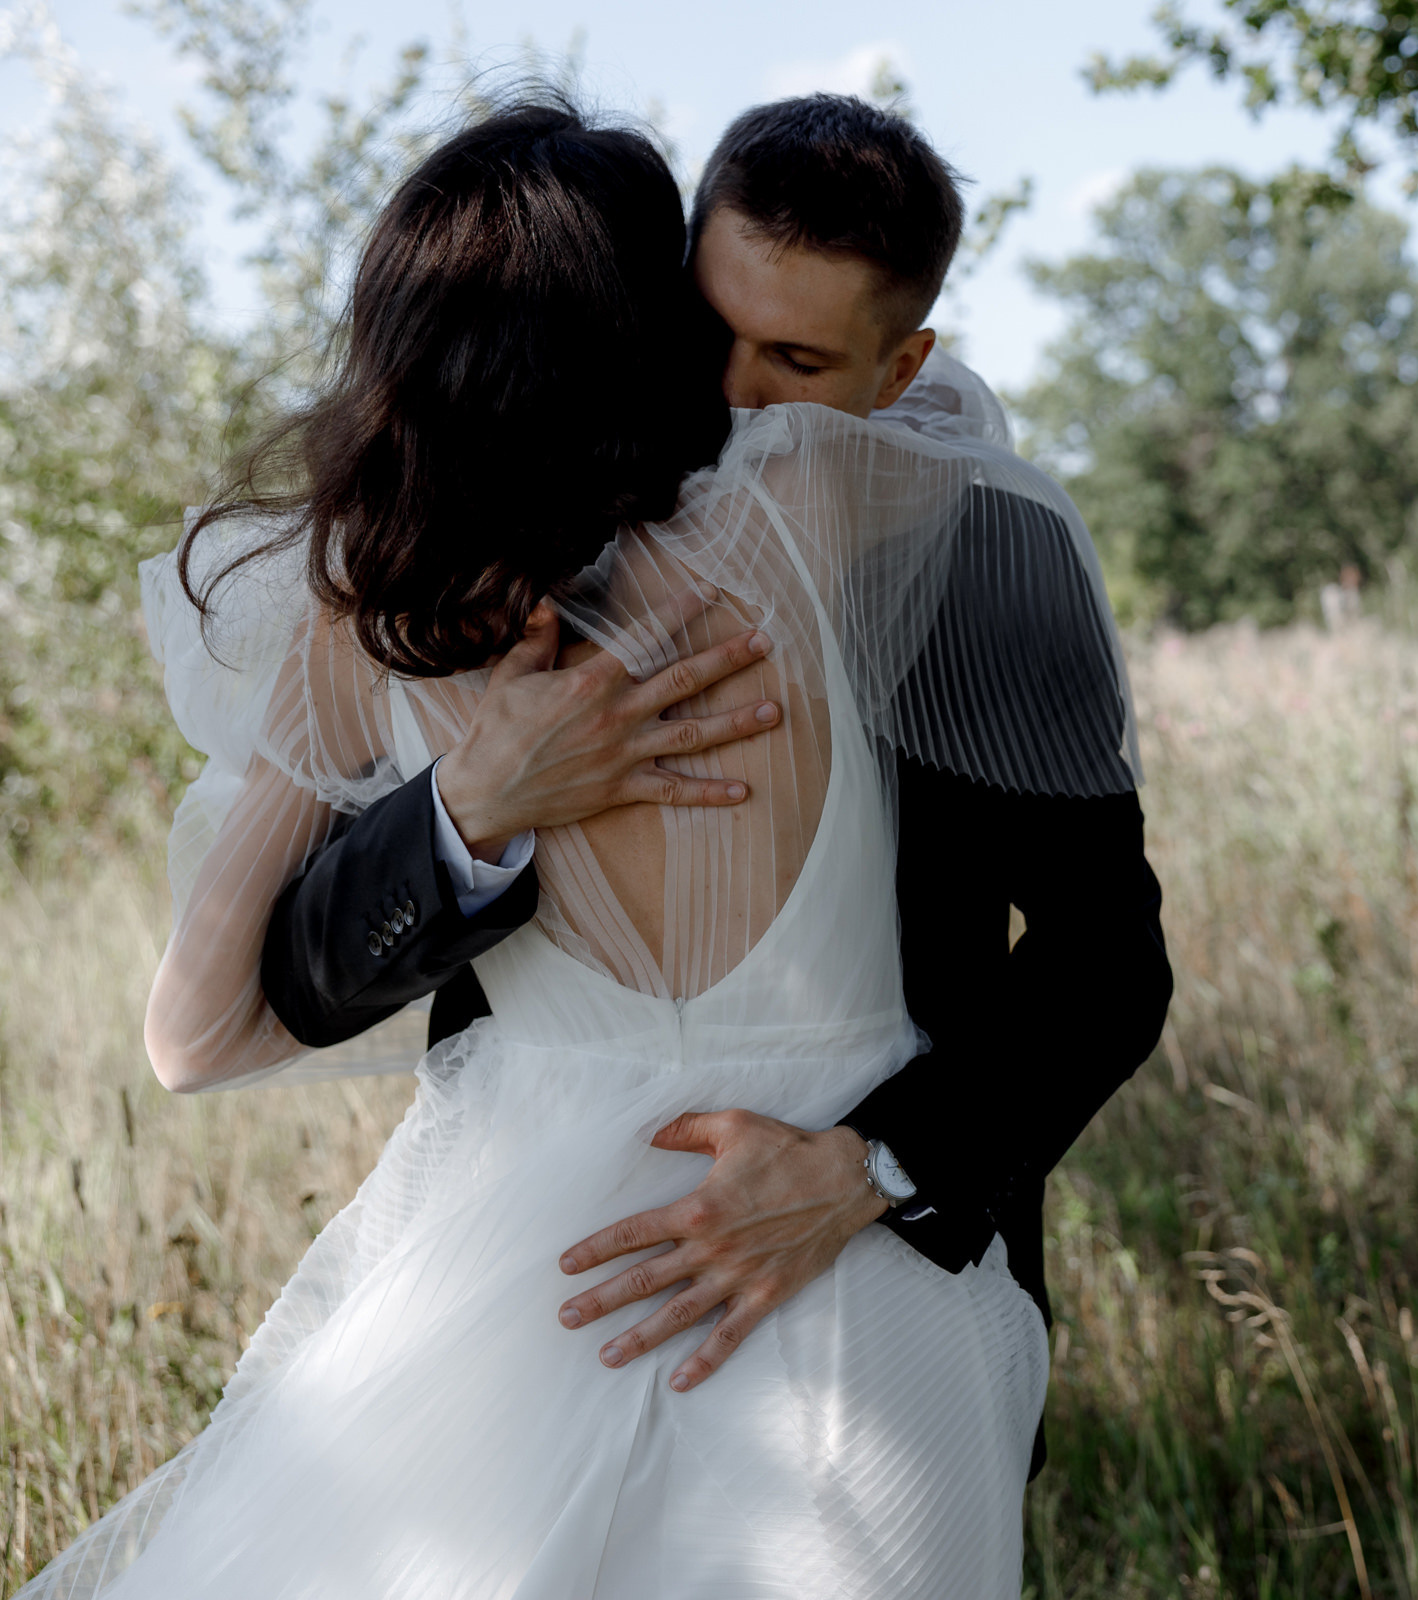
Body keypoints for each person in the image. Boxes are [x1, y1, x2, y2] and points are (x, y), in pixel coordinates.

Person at [24, 95, 1153, 1599]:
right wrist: (468, 814)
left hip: (857, 1257)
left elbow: (1108, 962)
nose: (754, 411)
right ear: (645, 318)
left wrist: (873, 1167)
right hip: (521, 1294)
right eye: (714, 344)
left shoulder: (952, 540)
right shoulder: (418, 601)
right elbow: (239, 1007)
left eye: (803, 366)